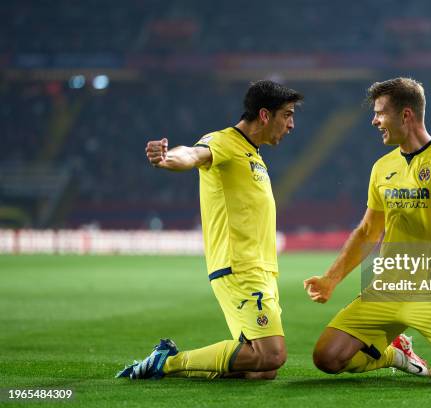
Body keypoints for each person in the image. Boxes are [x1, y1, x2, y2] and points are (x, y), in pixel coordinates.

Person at [117, 80, 303, 380]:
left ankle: (186, 369)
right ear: (265, 115)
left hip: (262, 269)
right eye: (288, 115)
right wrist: (166, 158)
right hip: (240, 268)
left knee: (263, 369)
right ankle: (167, 362)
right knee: (273, 354)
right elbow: (192, 154)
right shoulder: (224, 142)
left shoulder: (253, 154)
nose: (292, 124)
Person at [304, 77, 431, 385]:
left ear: (406, 115)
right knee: (327, 358)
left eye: (380, 113)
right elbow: (367, 231)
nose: (374, 121)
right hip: (388, 287)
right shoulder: (381, 167)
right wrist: (331, 279)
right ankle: (393, 353)